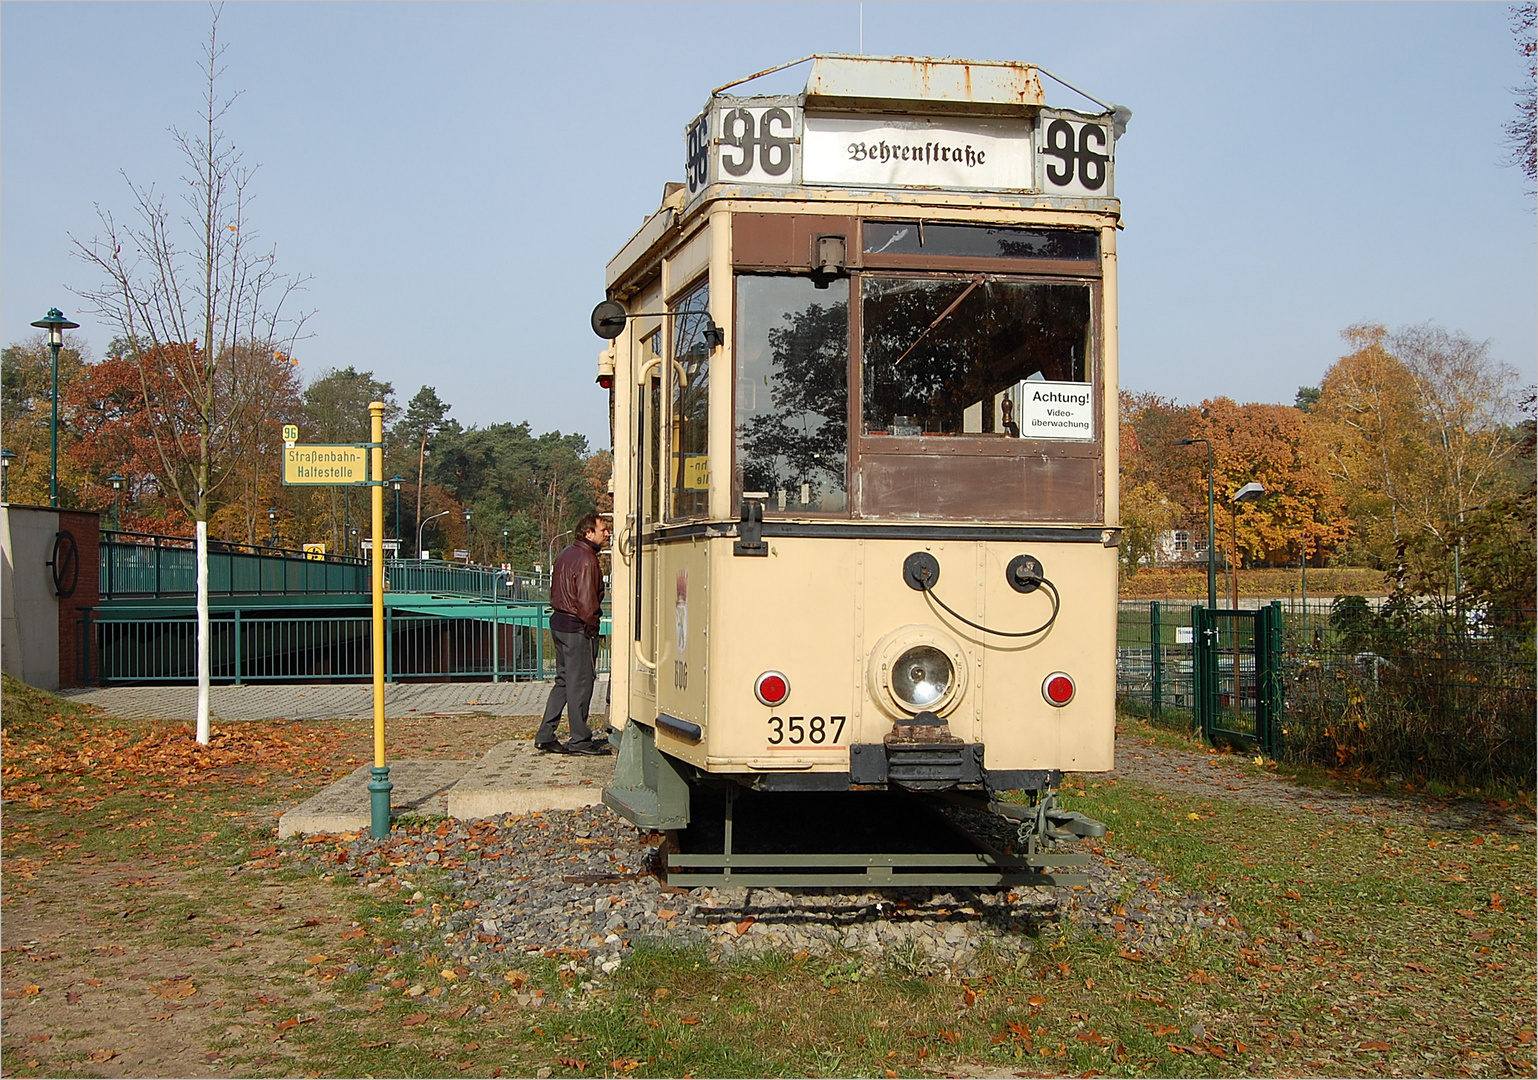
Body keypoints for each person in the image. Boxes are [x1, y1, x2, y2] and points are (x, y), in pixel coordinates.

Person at [536, 512, 612, 755]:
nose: (607, 533)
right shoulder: (588, 560)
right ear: (588, 533)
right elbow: (587, 601)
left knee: (563, 681)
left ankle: (546, 734)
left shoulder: (565, 553)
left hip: (559, 623)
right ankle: (580, 740)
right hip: (577, 626)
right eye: (603, 530)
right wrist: (592, 628)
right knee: (580, 683)